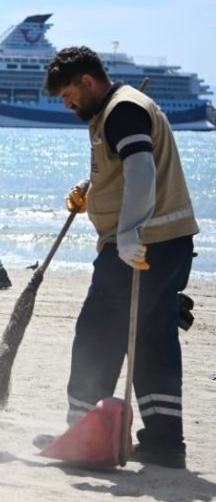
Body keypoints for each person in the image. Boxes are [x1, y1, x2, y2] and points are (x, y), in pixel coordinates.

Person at [45, 46, 199, 469]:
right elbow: (123, 170)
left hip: (141, 248)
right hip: (171, 243)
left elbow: (143, 171)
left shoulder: (121, 110)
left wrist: (129, 232)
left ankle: (83, 431)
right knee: (152, 340)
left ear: (87, 82)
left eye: (67, 94)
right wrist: (91, 193)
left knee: (98, 331)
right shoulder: (114, 111)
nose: (66, 102)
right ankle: (165, 443)